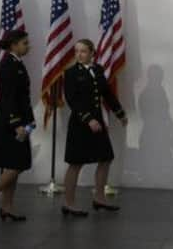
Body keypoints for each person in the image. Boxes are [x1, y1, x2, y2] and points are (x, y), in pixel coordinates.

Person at [61, 39, 128, 217]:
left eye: (83, 51)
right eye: (76, 51)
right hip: (81, 124)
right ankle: (68, 203)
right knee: (75, 163)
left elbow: (107, 93)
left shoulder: (98, 70)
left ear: (92, 52)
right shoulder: (71, 73)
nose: (79, 54)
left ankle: (99, 198)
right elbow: (72, 100)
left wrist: (120, 113)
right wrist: (88, 118)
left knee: (106, 158)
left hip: (97, 122)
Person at [0, 29, 35, 221]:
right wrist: (17, 123)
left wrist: (30, 121)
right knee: (16, 164)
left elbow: (23, 98)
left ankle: (7, 206)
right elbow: (9, 97)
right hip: (9, 122)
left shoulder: (16, 63)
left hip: (18, 121)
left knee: (14, 165)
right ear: (13, 45)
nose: (28, 46)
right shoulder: (8, 65)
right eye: (24, 43)